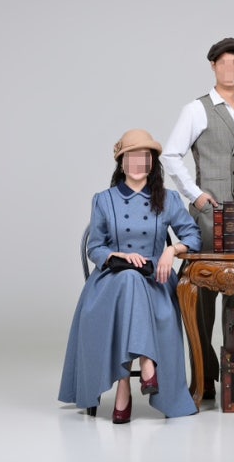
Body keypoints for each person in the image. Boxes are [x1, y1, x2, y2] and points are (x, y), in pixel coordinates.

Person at [59, 129, 202, 423]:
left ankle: (124, 390)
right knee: (129, 278)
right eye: (131, 157)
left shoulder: (169, 199)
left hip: (155, 281)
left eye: (144, 158)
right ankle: (146, 366)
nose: (138, 164)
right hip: (111, 281)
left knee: (134, 279)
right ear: (121, 163)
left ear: (152, 164)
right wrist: (119, 256)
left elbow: (193, 236)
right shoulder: (104, 200)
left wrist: (171, 250)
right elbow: (95, 247)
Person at [161, 37, 234, 399]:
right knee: (203, 300)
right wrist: (196, 194)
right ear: (213, 67)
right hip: (208, 217)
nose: (230, 69)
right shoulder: (197, 109)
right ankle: (203, 378)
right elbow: (170, 155)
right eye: (223, 63)